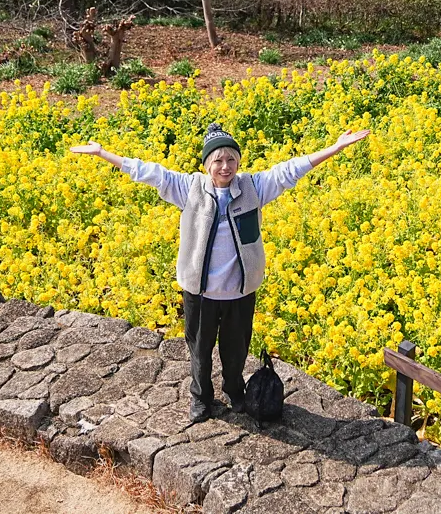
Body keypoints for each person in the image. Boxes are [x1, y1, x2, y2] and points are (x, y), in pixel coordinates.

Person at [71, 122, 369, 422]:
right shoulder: (189, 189)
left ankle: (234, 390)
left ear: (239, 162)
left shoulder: (253, 188)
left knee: (236, 350)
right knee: (199, 351)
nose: (225, 167)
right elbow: (150, 172)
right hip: (200, 293)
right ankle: (200, 397)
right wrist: (103, 154)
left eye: (231, 160)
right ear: (206, 165)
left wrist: (335, 148)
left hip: (240, 291)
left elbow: (290, 170)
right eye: (218, 161)